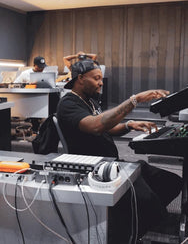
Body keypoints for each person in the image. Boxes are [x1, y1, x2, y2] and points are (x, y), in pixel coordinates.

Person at [56, 58, 182, 242]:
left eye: (101, 78)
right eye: (96, 78)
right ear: (80, 78)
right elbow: (96, 125)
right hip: (98, 170)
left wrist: (130, 125)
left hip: (114, 164)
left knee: (171, 182)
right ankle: (127, 232)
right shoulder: (68, 104)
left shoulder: (90, 101)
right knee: (149, 202)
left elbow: (107, 126)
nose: (101, 83)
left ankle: (132, 222)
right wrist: (135, 100)